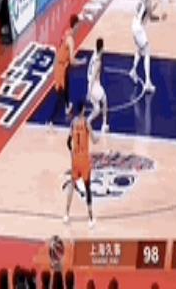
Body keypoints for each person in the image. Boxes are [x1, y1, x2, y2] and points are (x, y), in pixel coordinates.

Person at [63, 101, 98, 229]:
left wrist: (72, 154)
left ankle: (66, 214)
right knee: (87, 188)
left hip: (75, 159)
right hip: (84, 160)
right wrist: (98, 138)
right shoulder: (86, 123)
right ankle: (91, 218)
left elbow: (68, 142)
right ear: (83, 109)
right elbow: (94, 140)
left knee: (72, 185)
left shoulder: (73, 123)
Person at [49, 14, 86, 127]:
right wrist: (82, 62)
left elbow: (60, 48)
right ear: (76, 25)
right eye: (79, 24)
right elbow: (72, 61)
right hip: (61, 67)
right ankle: (51, 120)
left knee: (67, 84)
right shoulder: (70, 40)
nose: (80, 26)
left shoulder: (67, 32)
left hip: (61, 64)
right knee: (60, 92)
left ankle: (67, 106)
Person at [130, 0, 165, 93]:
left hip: (134, 24)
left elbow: (144, 12)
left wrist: (153, 7)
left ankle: (133, 71)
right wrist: (160, 18)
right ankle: (147, 83)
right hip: (139, 28)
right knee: (147, 50)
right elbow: (150, 17)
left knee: (140, 50)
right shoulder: (148, 0)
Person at [87, 38, 108, 133]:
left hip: (91, 84)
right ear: (102, 48)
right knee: (104, 100)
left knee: (97, 109)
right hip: (94, 86)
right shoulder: (98, 62)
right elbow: (93, 76)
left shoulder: (94, 53)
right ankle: (104, 124)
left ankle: (88, 121)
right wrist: (89, 92)